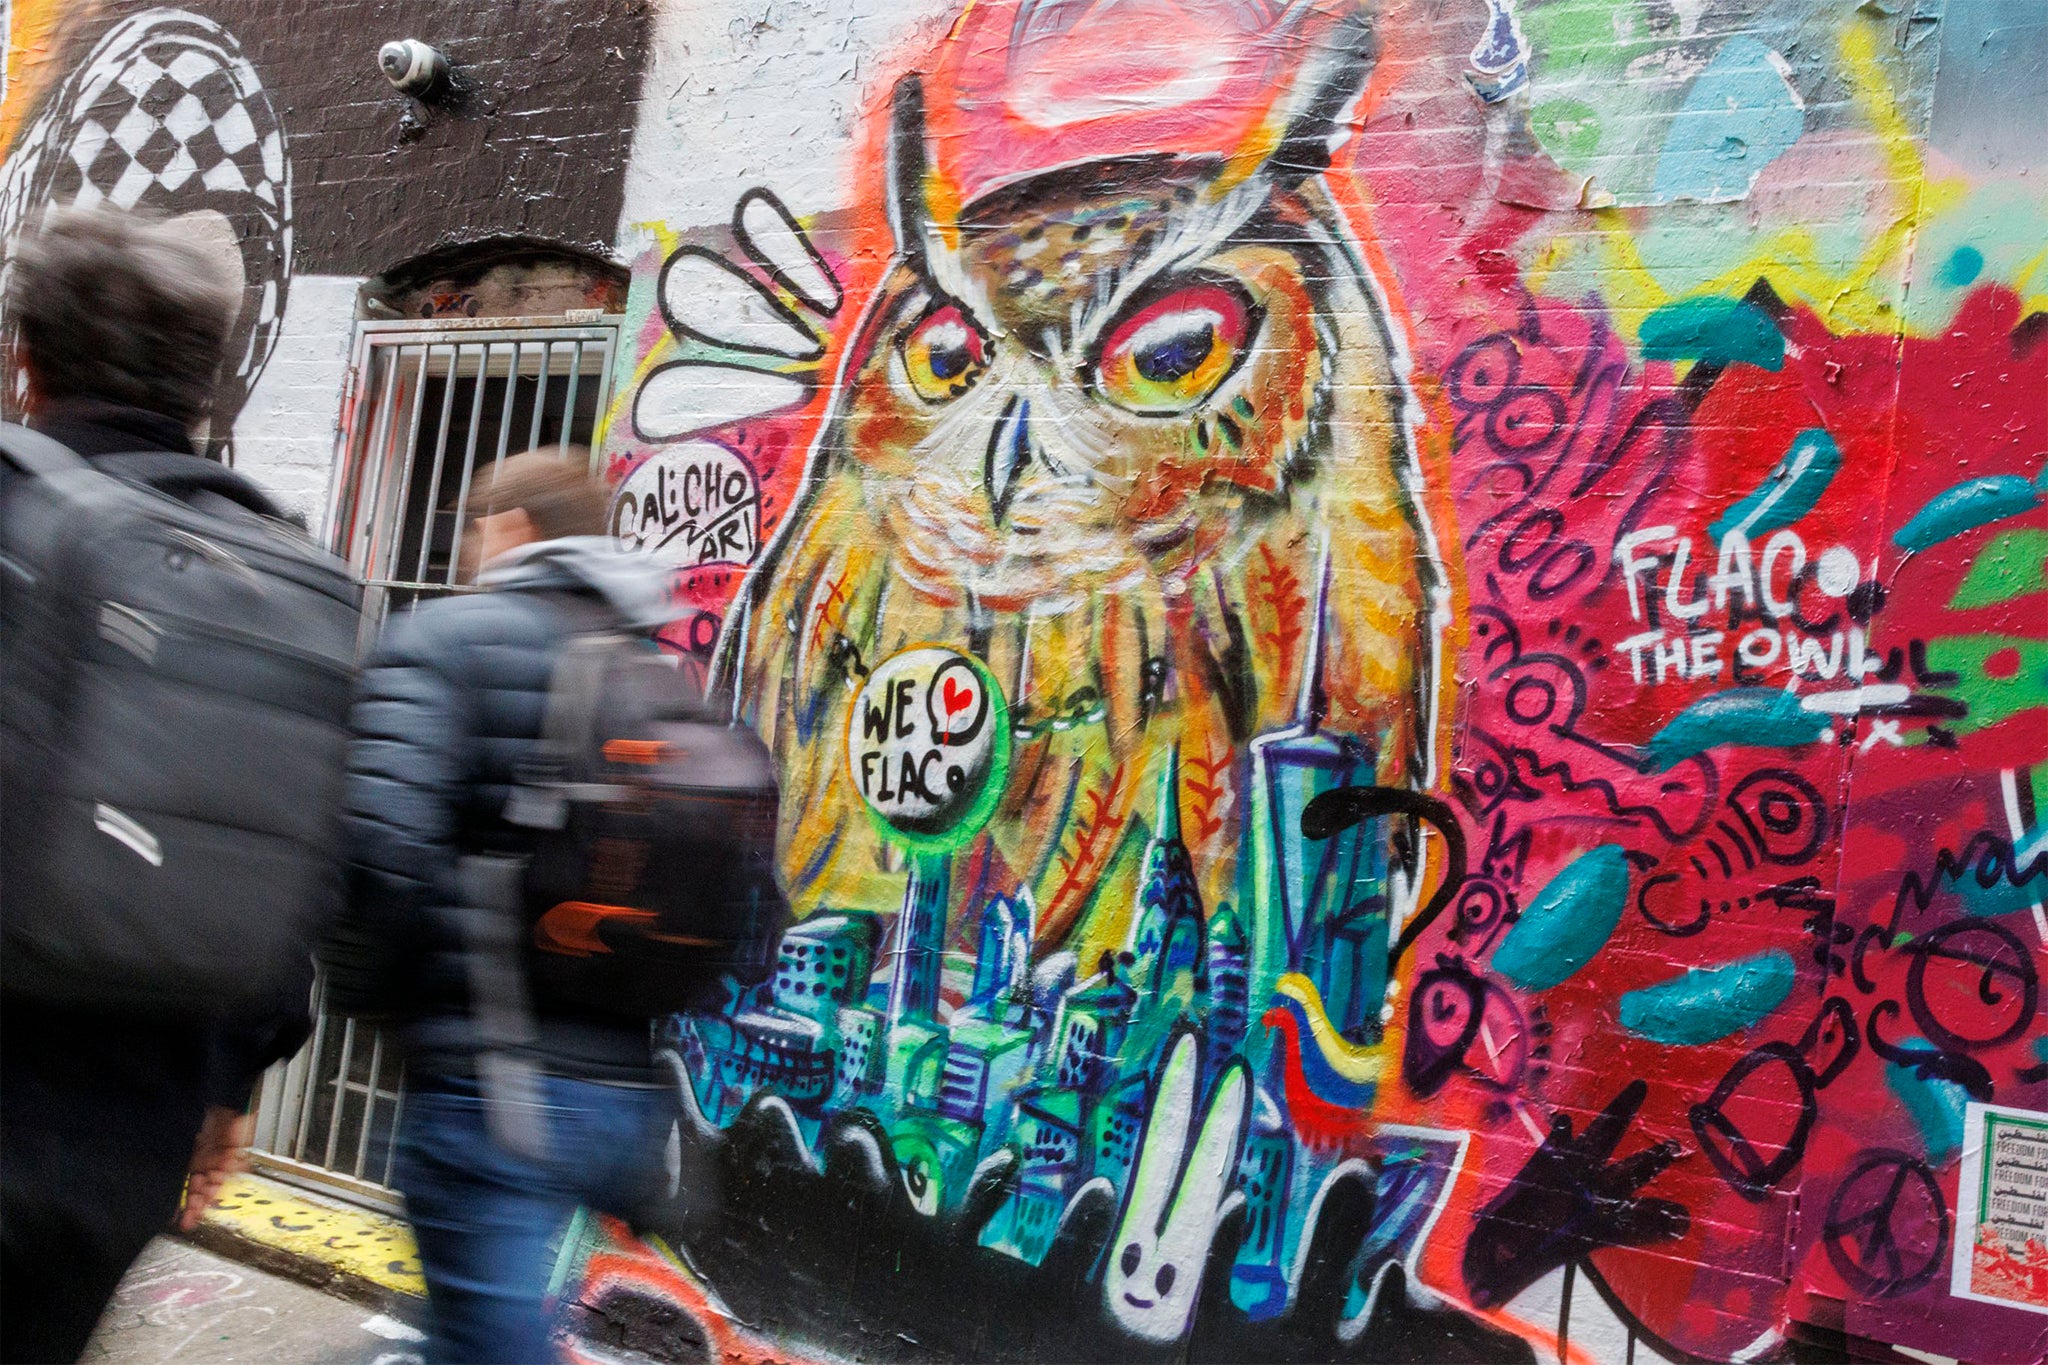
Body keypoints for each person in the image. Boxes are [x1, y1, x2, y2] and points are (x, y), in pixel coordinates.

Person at [0, 207, 314, 1362]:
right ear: (201, 385)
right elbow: (295, 868)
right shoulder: (280, 571)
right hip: (127, 1138)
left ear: (26, 357)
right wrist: (227, 1088)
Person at [338, 451, 678, 1364]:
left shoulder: (442, 641)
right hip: (624, 1100)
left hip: (493, 1089)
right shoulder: (658, 673)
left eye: (471, 527)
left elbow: (382, 855)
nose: (462, 549)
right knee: (471, 1332)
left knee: (488, 1342)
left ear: (517, 530)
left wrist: (375, 1007)